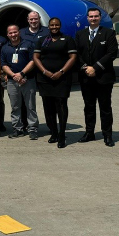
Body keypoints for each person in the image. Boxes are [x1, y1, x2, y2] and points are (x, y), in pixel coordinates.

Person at [74, 8, 118, 147]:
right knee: (89, 107)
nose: (93, 19)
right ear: (87, 18)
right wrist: (86, 68)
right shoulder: (80, 34)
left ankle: (107, 135)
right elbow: (77, 54)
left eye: (96, 16)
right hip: (86, 77)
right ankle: (89, 132)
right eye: (91, 16)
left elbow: (111, 54)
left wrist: (96, 68)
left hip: (104, 77)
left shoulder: (108, 33)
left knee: (105, 107)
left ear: (100, 18)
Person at [33, 17, 78, 148]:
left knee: (61, 106)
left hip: (62, 79)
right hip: (44, 79)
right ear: (48, 26)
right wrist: (44, 72)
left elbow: (73, 57)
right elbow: (36, 57)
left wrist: (61, 72)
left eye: (56, 25)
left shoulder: (68, 39)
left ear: (60, 26)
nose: (54, 27)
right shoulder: (42, 40)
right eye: (52, 25)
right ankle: (53, 132)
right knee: (48, 107)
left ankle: (62, 134)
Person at [1, 24, 39, 140]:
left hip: (28, 79)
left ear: (19, 32)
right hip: (12, 81)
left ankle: (32, 129)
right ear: (7, 34)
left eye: (15, 32)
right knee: (15, 106)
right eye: (10, 33)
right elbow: (3, 65)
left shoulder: (28, 44)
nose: (13, 35)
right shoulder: (5, 47)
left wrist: (22, 74)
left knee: (30, 106)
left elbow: (33, 61)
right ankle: (18, 129)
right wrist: (13, 75)